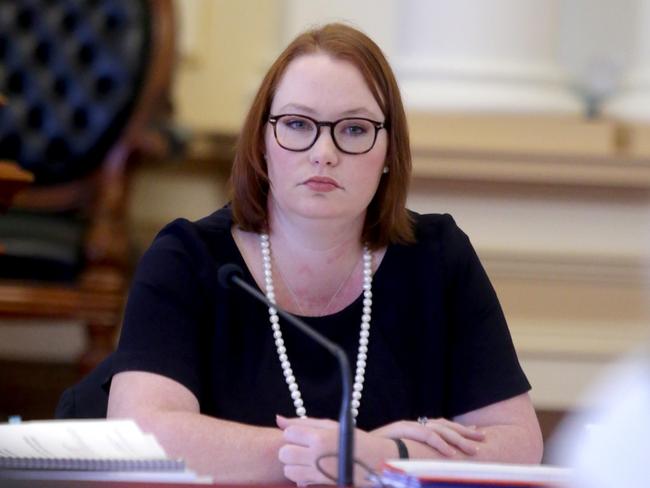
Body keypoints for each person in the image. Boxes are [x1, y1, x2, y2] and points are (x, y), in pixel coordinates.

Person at [107, 23, 543, 485]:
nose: (324, 152)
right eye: (297, 124)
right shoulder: (189, 261)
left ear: (390, 150)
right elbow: (138, 439)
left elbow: (516, 443)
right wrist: (336, 455)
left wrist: (382, 454)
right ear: (261, 141)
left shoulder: (438, 259)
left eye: (354, 129)